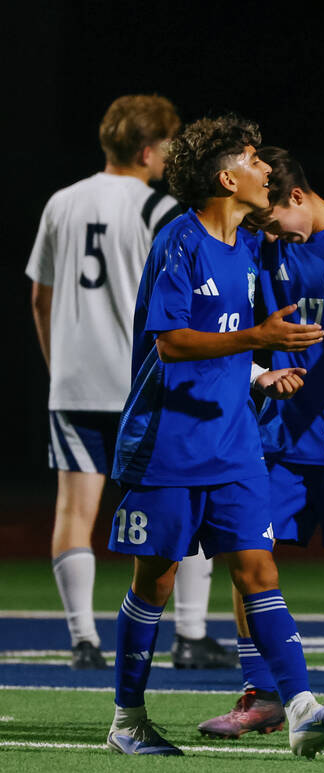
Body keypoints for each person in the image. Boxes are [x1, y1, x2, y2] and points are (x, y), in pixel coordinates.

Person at [105, 114, 324, 758]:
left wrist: (256, 372)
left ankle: (302, 708)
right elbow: (169, 343)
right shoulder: (180, 241)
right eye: (253, 158)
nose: (266, 169)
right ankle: (127, 721)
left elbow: (223, 335)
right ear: (227, 177)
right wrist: (257, 340)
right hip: (168, 443)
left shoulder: (247, 245)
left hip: (233, 443)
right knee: (156, 582)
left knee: (259, 568)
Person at [197, 147, 324, 741]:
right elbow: (234, 325)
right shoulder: (266, 242)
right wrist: (264, 371)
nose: (264, 233)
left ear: (295, 197)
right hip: (280, 430)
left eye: (268, 218)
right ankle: (262, 695)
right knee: (246, 551)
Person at [24, 95, 235, 671]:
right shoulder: (159, 210)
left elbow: (39, 298)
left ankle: (82, 640)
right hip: (144, 385)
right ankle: (189, 634)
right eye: (168, 145)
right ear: (149, 150)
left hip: (72, 383)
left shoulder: (61, 202)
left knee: (74, 510)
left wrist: (58, 366)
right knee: (186, 503)